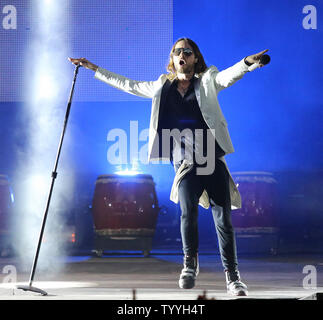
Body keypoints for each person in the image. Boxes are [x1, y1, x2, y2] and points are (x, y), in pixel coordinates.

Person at [69, 38, 268, 296]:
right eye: (177, 51)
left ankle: (233, 277)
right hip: (185, 162)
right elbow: (129, 85)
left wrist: (247, 63)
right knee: (188, 212)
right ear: (173, 59)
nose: (182, 54)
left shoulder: (207, 79)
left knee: (223, 219)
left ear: (195, 57)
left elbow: (227, 77)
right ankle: (189, 264)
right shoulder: (162, 85)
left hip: (211, 158)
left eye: (187, 51)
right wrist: (95, 69)